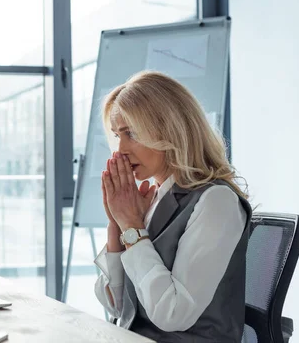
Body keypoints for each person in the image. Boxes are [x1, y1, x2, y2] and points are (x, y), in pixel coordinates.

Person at [94, 71, 251, 342]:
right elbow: (116, 306)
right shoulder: (153, 198)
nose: (120, 149)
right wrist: (117, 225)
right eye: (116, 135)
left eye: (130, 133)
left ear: (170, 129)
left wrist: (133, 228)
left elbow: (173, 314)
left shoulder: (216, 202)